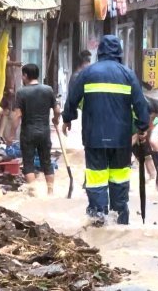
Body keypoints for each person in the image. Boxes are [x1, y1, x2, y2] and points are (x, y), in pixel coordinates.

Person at [62, 35, 151, 226]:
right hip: (122, 140)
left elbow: (72, 99)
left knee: (96, 180)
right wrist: (143, 127)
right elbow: (140, 104)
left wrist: (67, 118)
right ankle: (120, 221)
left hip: (94, 138)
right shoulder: (128, 74)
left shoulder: (87, 73)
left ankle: (99, 221)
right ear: (119, 51)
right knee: (119, 180)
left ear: (99, 51)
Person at [13, 63, 60, 196]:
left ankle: (33, 195)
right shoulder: (48, 90)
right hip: (44, 132)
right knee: (46, 161)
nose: (22, 77)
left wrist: (11, 134)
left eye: (23, 75)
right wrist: (55, 120)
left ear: (26, 75)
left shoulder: (22, 92)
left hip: (28, 132)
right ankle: (50, 192)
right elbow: (57, 110)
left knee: (28, 162)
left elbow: (17, 115)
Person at [143, 98, 158, 192]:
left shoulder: (155, 119)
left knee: (153, 141)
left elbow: (151, 126)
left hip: (155, 126)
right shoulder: (140, 115)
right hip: (144, 129)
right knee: (146, 155)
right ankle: (151, 176)